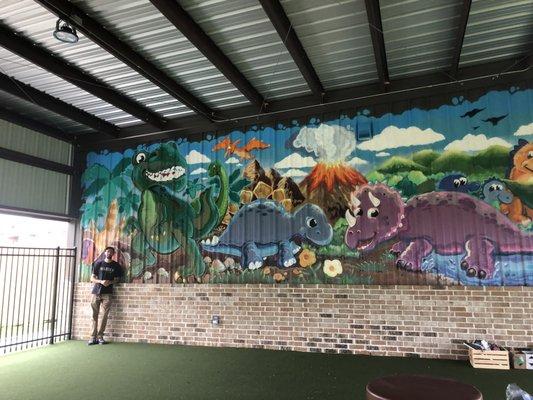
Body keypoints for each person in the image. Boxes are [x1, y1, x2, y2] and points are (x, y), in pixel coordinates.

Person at [88, 246, 123, 345]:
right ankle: (92, 337)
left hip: (108, 293)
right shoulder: (98, 263)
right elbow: (92, 278)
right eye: (107, 251)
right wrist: (101, 281)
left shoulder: (116, 266)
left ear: (113, 254)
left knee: (104, 316)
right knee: (94, 315)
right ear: (105, 253)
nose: (109, 253)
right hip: (96, 293)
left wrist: (110, 282)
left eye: (111, 252)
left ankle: (100, 336)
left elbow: (117, 279)